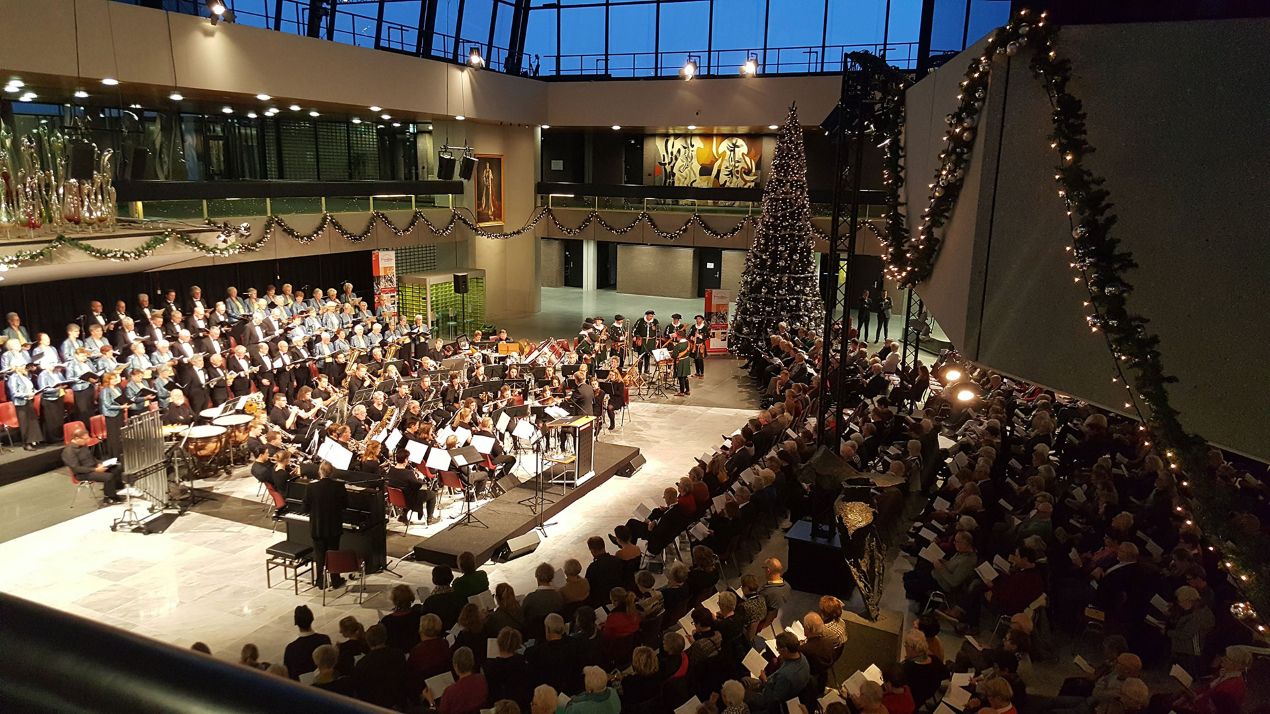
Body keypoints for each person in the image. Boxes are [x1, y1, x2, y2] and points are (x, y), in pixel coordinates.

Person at [303, 461, 348, 589]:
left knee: (319, 554)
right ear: (332, 472)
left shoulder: (311, 487)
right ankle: (335, 580)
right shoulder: (339, 486)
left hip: (318, 527)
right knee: (334, 552)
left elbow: (305, 508)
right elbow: (345, 505)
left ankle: (320, 581)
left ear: (320, 472)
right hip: (334, 527)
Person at [746, 632, 809, 714]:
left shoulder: (786, 675)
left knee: (745, 693)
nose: (777, 651)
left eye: (778, 649)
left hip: (771, 699)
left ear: (785, 650)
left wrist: (764, 680)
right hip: (780, 686)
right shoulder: (802, 658)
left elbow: (774, 698)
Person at [354, 624, 408, 710]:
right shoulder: (398, 654)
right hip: (399, 703)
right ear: (385, 637)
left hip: (375, 707)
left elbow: (361, 691)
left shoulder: (362, 664)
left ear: (368, 641)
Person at [62, 428, 123, 503]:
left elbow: (91, 458)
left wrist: (99, 463)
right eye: (85, 439)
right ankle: (110, 497)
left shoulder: (83, 445)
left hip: (93, 467)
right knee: (109, 476)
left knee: (117, 466)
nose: (87, 441)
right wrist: (95, 470)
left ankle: (109, 490)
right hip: (83, 473)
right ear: (76, 438)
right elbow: (76, 469)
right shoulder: (69, 451)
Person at [424, 646, 487, 714]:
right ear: (472, 663)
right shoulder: (482, 679)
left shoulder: (450, 692)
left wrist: (431, 703)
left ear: (455, 666)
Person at [485, 627, 533, 710]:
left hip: (497, 708)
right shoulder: (523, 664)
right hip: (518, 708)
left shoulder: (490, 666)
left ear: (499, 643)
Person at [283, 605, 331, 681]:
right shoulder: (324, 639)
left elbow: (288, 674)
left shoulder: (291, 648)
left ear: (296, 623)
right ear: (312, 619)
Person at [522, 562, 565, 641]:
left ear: (537, 578)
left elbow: (523, 617)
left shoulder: (530, 598)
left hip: (536, 636)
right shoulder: (559, 596)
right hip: (555, 634)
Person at [6, 363, 41, 449]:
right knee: (25, 423)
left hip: (29, 400)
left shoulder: (25, 376)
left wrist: (36, 391)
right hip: (21, 403)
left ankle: (34, 440)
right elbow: (14, 393)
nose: (24, 367)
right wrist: (26, 395)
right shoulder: (13, 378)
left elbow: (30, 387)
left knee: (32, 422)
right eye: (21, 366)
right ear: (16, 368)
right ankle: (26, 443)